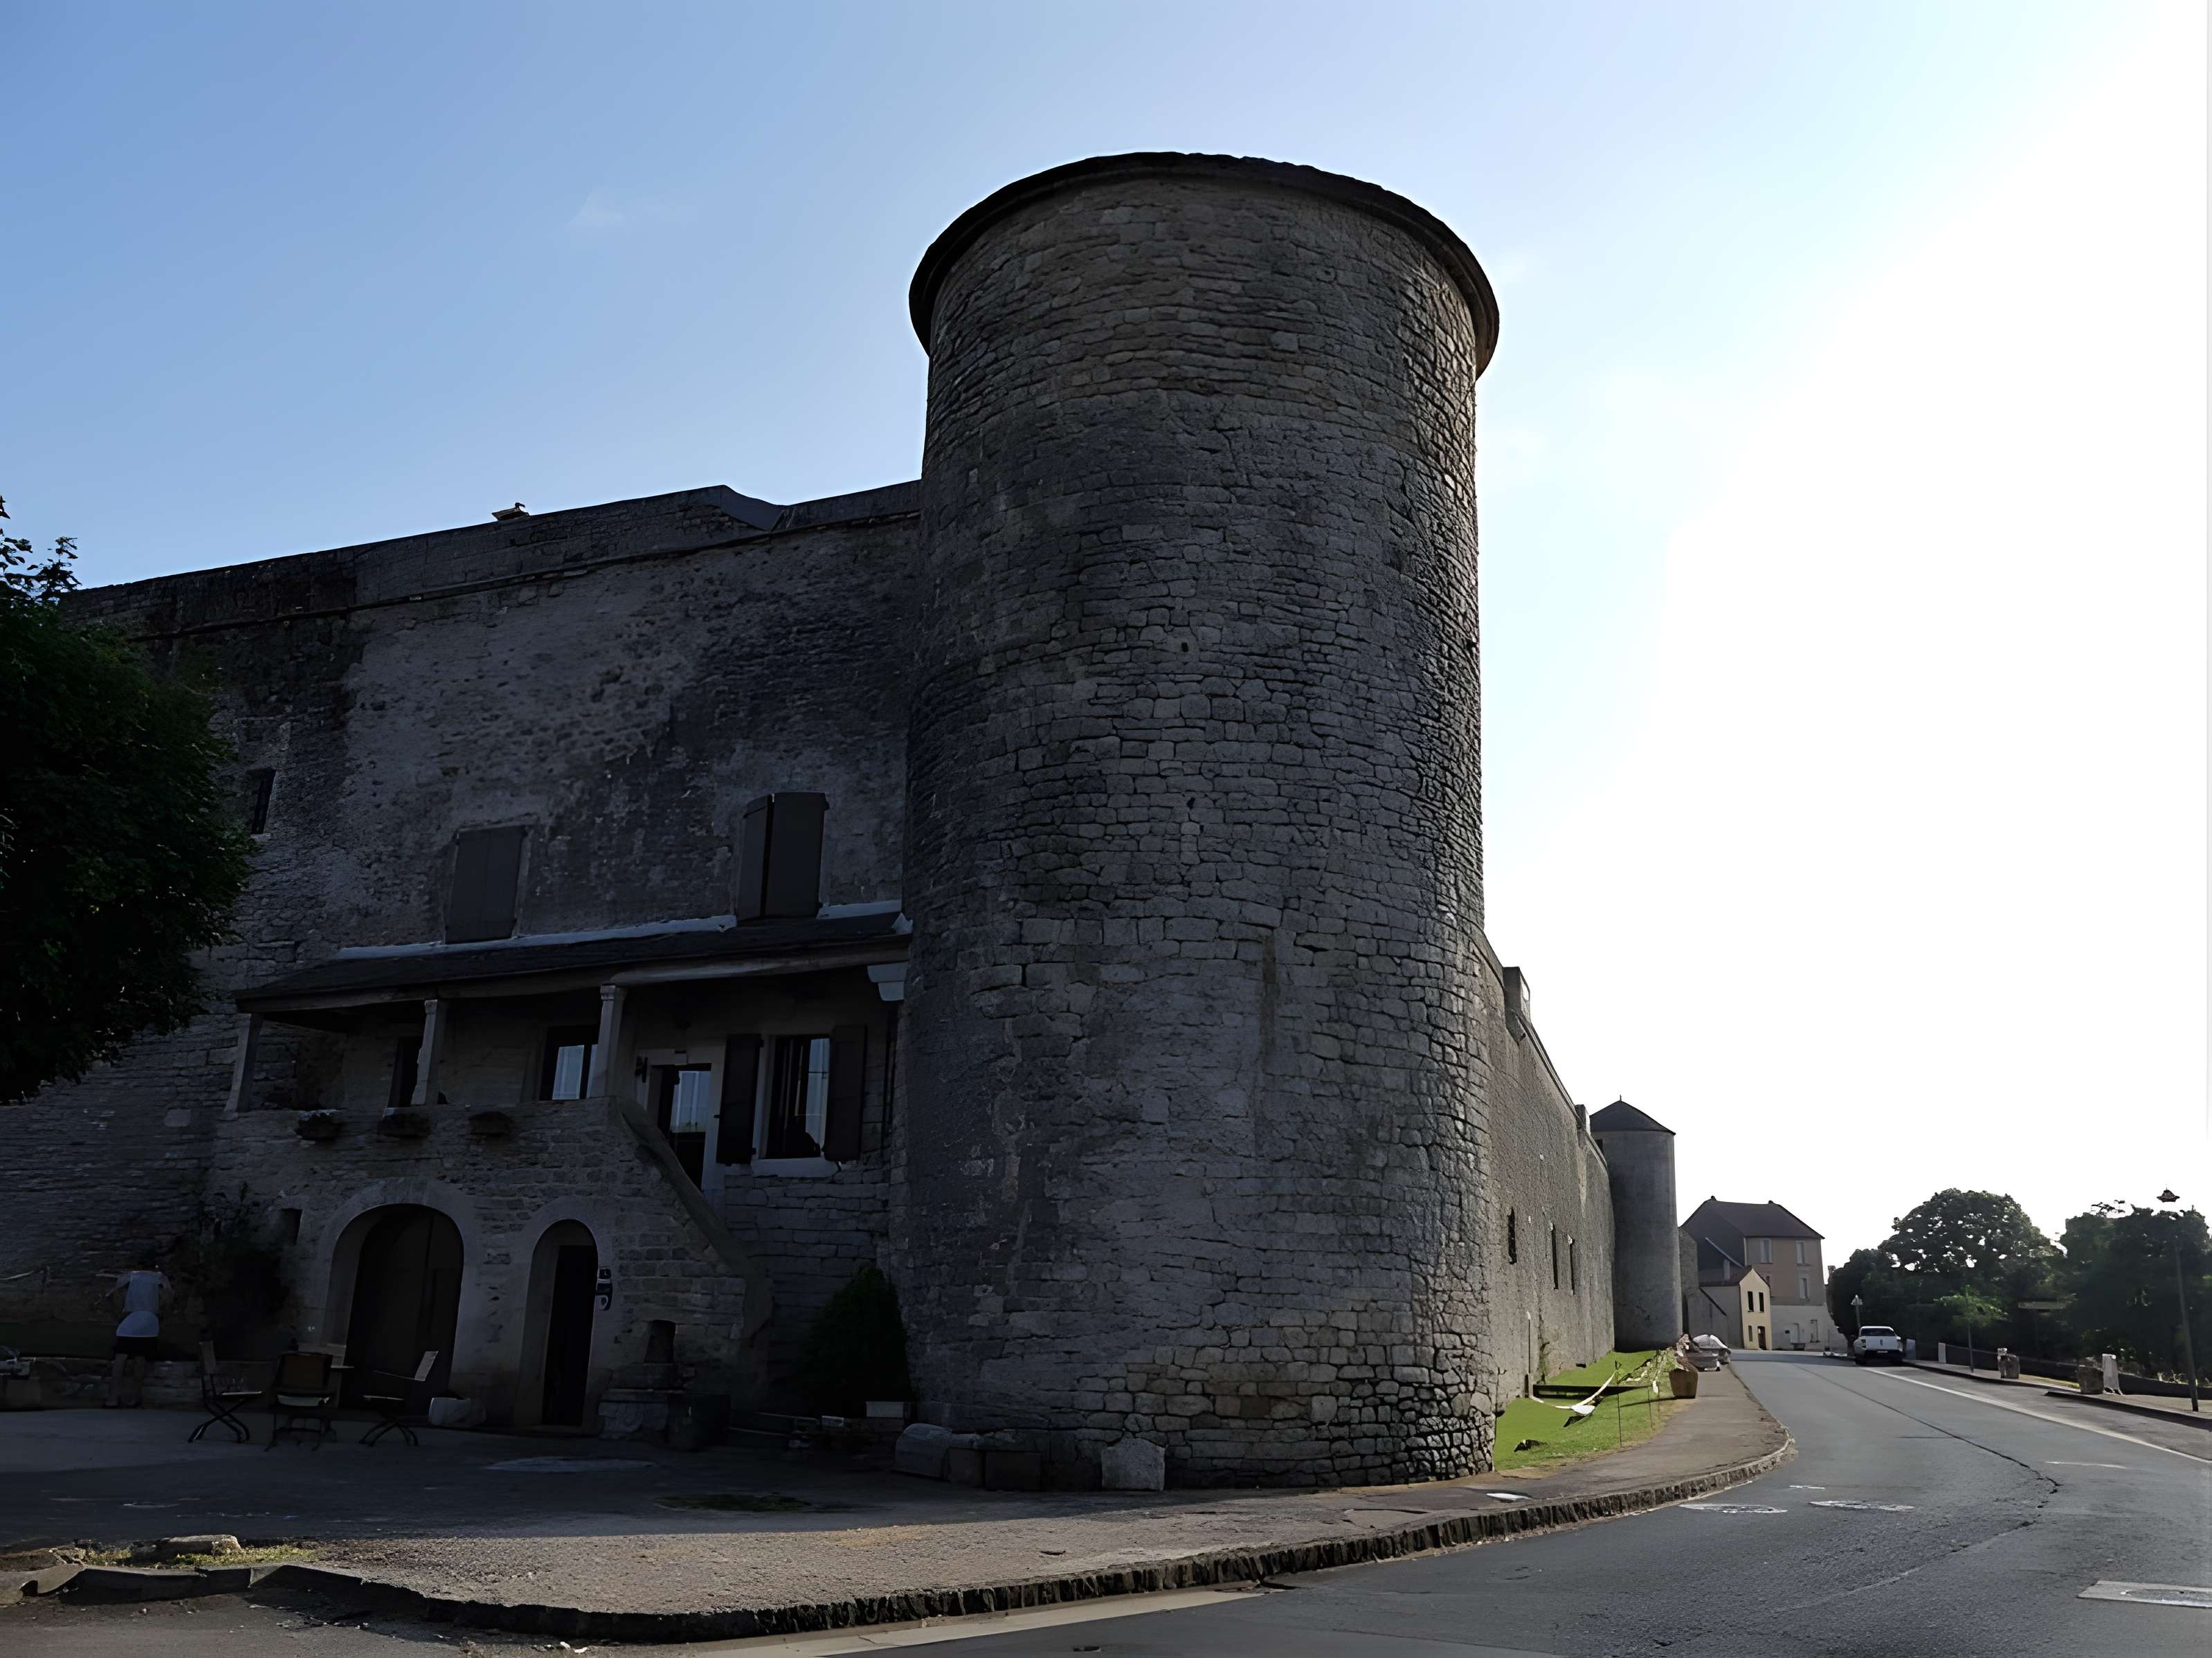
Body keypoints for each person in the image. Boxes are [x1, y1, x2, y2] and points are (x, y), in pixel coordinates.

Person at [105, 1254, 169, 1408]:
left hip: (132, 1319)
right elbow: (169, 1297)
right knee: (141, 1359)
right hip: (150, 1321)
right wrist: (162, 1312)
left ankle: (113, 1398)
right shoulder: (159, 1278)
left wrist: (118, 1311)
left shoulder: (130, 1276)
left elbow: (111, 1293)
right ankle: (135, 1398)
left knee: (120, 1359)